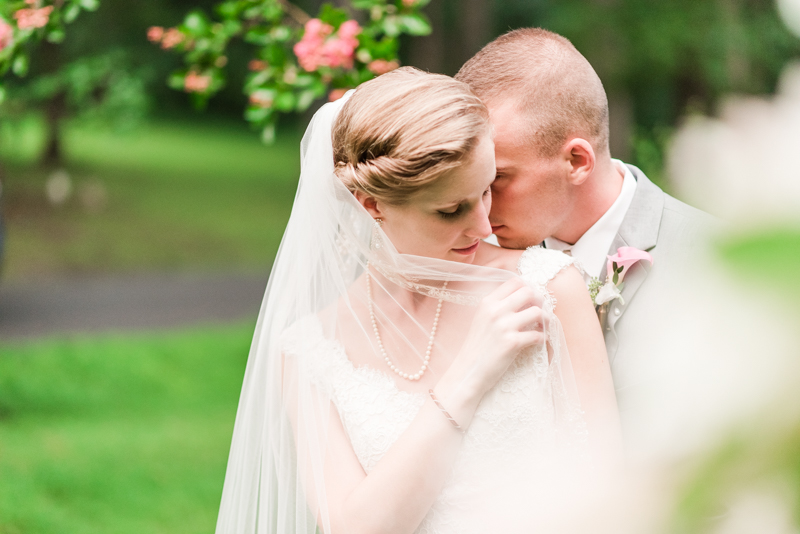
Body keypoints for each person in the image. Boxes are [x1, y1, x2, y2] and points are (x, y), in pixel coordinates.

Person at [215, 68, 621, 534]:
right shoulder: (310, 352)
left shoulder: (548, 289)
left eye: (487, 189)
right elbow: (353, 527)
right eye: (451, 210)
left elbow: (608, 494)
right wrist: (467, 376)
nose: (484, 226)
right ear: (371, 204)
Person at [455, 29, 718, 423]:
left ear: (577, 160)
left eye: (498, 179)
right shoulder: (468, 263)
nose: (478, 212)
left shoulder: (715, 261)